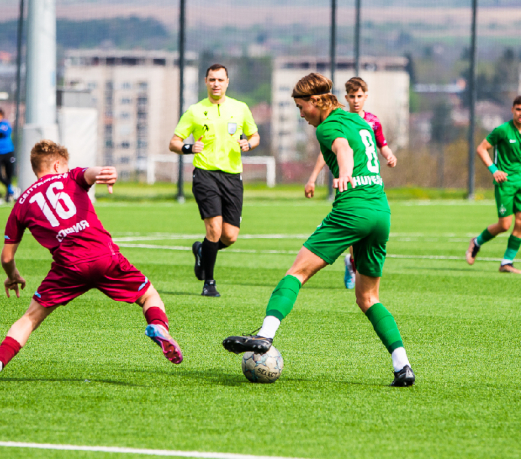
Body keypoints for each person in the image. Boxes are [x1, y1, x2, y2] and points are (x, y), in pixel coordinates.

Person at [222, 73, 415, 387]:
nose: (301, 115)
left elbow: (343, 151)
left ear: (315, 101)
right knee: (368, 298)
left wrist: (345, 175)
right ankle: (402, 365)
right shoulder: (359, 121)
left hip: (352, 209)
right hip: (381, 211)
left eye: (301, 107)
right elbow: (355, 148)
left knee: (296, 272)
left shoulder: (327, 127)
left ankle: (264, 334)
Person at [0, 140, 183, 384]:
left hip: (67, 267)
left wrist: (13, 275)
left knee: (30, 318)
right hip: (104, 256)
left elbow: (7, 257)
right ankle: (159, 327)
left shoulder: (21, 204)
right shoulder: (70, 176)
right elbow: (90, 174)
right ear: (58, 164)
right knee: (149, 296)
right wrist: (104, 173)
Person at [169, 63, 260, 297]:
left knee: (229, 236)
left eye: (220, 80)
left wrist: (248, 143)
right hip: (205, 174)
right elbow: (174, 142)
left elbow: (254, 135)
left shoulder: (240, 108)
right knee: (214, 229)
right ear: (206, 82)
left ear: (227, 82)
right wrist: (189, 147)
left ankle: (202, 251)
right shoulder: (195, 111)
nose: (216, 84)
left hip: (232, 177)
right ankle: (209, 282)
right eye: (212, 80)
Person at [305, 77, 397, 289]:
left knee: (364, 228)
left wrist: (389, 155)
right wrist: (313, 178)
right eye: (352, 97)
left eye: (359, 96)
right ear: (345, 98)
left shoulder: (372, 121)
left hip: (369, 186)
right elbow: (331, 151)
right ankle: (352, 261)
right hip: (347, 185)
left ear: (366, 97)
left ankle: (352, 263)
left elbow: (381, 144)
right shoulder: (339, 121)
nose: (356, 101)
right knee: (358, 226)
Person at [466, 95, 521, 273]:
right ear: (512, 110)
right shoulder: (503, 130)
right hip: (505, 183)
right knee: (504, 225)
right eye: (518, 109)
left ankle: (507, 262)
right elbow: (482, 148)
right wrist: (494, 170)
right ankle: (476, 242)